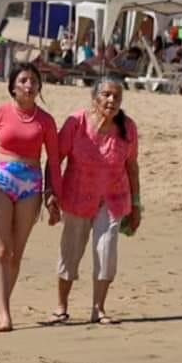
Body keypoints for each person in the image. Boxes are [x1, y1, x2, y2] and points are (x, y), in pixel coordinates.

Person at [0, 63, 62, 333]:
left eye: (33, 80)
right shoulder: (0, 112)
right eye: (23, 80)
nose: (29, 84)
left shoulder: (46, 120)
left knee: (16, 253)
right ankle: (5, 314)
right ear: (13, 86)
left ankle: (2, 304)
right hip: (0, 180)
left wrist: (52, 194)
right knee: (1, 250)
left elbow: (54, 161)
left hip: (31, 183)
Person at [50, 75, 141, 325]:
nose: (111, 100)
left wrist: (137, 205)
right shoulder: (76, 123)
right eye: (106, 95)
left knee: (106, 252)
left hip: (113, 201)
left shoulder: (128, 127)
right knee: (70, 250)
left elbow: (132, 167)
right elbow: (56, 160)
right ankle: (61, 306)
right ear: (94, 98)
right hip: (76, 197)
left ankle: (98, 309)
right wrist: (51, 194)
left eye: (117, 96)